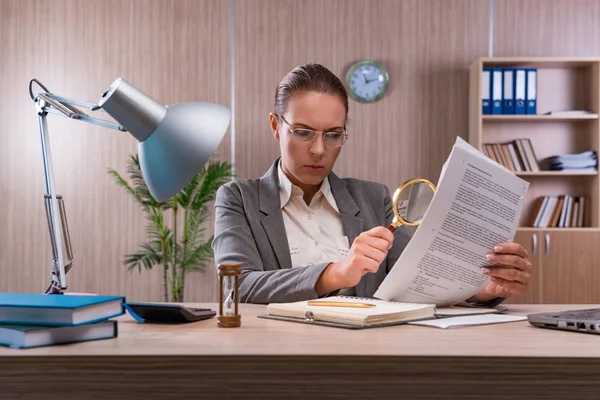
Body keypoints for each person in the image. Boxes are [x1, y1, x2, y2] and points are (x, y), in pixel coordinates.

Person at [212, 63, 532, 305]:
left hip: (369, 356)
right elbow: (237, 286)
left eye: (334, 134)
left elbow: (413, 283)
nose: (319, 149)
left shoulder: (372, 196)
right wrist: (338, 272)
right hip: (279, 359)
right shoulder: (238, 198)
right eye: (303, 132)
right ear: (275, 126)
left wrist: (478, 291)